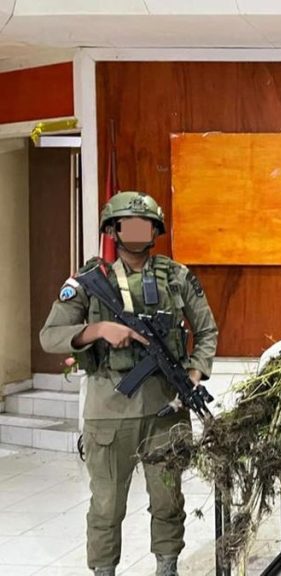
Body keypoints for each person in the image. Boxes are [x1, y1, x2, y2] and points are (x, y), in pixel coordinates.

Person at [40, 191, 219, 576]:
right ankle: (104, 570)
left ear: (155, 231)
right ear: (113, 231)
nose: (138, 231)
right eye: (129, 225)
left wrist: (194, 374)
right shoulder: (89, 281)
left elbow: (207, 331)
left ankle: (167, 567)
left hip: (165, 409)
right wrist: (97, 330)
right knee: (106, 506)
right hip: (108, 411)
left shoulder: (177, 277)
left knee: (168, 500)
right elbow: (50, 335)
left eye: (145, 225)